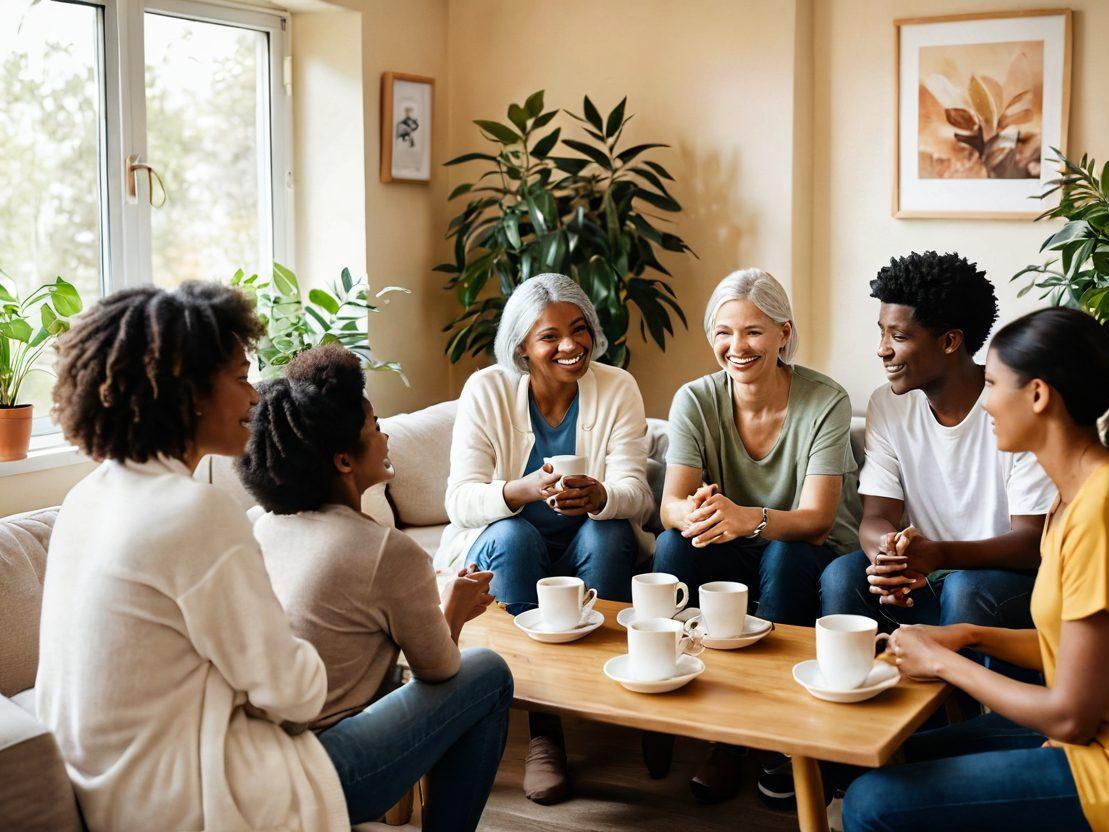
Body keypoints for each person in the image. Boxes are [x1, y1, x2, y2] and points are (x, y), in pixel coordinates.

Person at [844, 307, 1109, 832]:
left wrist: (944, 662)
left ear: (1038, 395)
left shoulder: (1106, 508)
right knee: (893, 753)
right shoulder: (1077, 496)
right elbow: (1072, 646)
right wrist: (965, 635)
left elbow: (1070, 714)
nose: (987, 401)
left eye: (994, 383)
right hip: (1102, 736)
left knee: (870, 804)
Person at [34, 283, 352, 831]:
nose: (255, 397)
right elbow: (296, 694)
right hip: (198, 801)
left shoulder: (86, 496)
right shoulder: (193, 513)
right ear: (187, 392)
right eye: (239, 376)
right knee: (477, 678)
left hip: (112, 795)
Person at [237, 344, 513, 831]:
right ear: (344, 460)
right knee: (487, 672)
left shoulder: (258, 526)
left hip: (253, 768)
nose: (386, 438)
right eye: (375, 426)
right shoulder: (385, 550)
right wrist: (453, 604)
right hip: (326, 774)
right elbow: (440, 671)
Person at [439, 273, 653, 805]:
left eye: (579, 330)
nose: (570, 346)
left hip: (586, 541)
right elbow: (460, 500)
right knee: (515, 539)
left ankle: (618, 706)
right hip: (509, 544)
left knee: (609, 538)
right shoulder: (485, 391)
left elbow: (639, 494)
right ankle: (544, 731)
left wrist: (602, 496)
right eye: (550, 336)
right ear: (522, 347)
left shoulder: (617, 387)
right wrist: (521, 490)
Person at [653, 267, 861, 806]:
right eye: (723, 332)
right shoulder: (695, 400)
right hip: (730, 543)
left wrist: (750, 518)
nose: (736, 346)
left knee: (787, 557)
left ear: (783, 333)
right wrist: (695, 511)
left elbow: (817, 518)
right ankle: (713, 729)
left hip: (805, 550)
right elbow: (670, 504)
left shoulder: (826, 400)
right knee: (673, 545)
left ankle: (780, 735)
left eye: (753, 331)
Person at [819, 252, 1054, 675]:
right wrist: (888, 560)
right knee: (842, 575)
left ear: (949, 341)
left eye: (899, 336)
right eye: (881, 333)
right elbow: (876, 517)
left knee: (964, 587)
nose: (882, 350)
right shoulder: (888, 405)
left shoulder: (1016, 407)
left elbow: (1032, 542)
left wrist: (938, 555)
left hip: (1001, 581)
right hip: (923, 575)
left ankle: (952, 727)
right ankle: (856, 709)